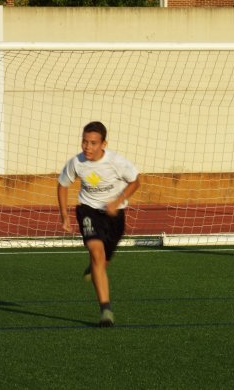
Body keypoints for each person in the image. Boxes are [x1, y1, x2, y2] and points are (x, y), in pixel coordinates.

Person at [57, 121, 140, 327]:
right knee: (96, 252)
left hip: (114, 215)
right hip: (88, 210)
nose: (87, 147)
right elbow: (62, 185)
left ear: (104, 144)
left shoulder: (116, 162)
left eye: (93, 143)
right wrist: (64, 215)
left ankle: (94, 268)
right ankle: (106, 310)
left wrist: (117, 202)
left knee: (103, 262)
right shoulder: (76, 162)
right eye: (84, 142)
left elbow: (136, 181)